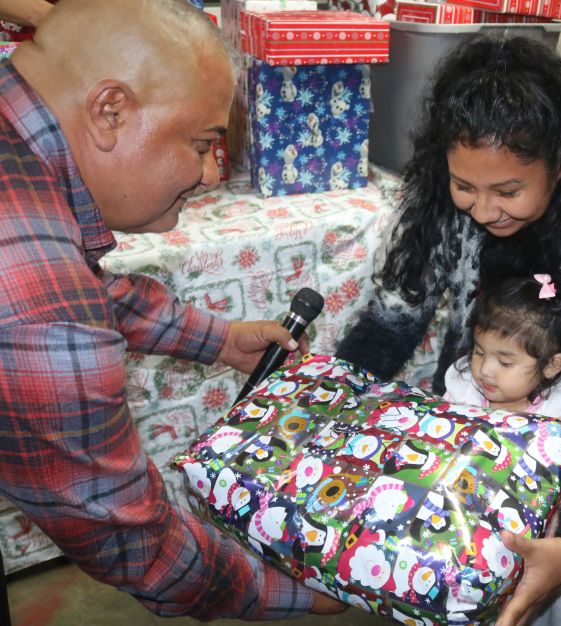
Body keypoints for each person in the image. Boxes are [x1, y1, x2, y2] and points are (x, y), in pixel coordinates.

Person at [0, 0, 346, 619]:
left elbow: (77, 289)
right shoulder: (37, 306)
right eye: (203, 142)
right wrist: (298, 594)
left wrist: (217, 338)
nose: (214, 176)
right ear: (110, 111)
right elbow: (134, 543)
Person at [335, 35, 561, 626]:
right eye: (464, 185)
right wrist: (333, 403)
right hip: (503, 330)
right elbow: (394, 318)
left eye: (508, 191)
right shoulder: (450, 194)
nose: (481, 209)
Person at [443, 273, 561, 626]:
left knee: (560, 612)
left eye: (505, 362)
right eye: (479, 351)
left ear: (552, 365)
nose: (485, 370)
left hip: (543, 546)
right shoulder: (463, 392)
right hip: (470, 539)